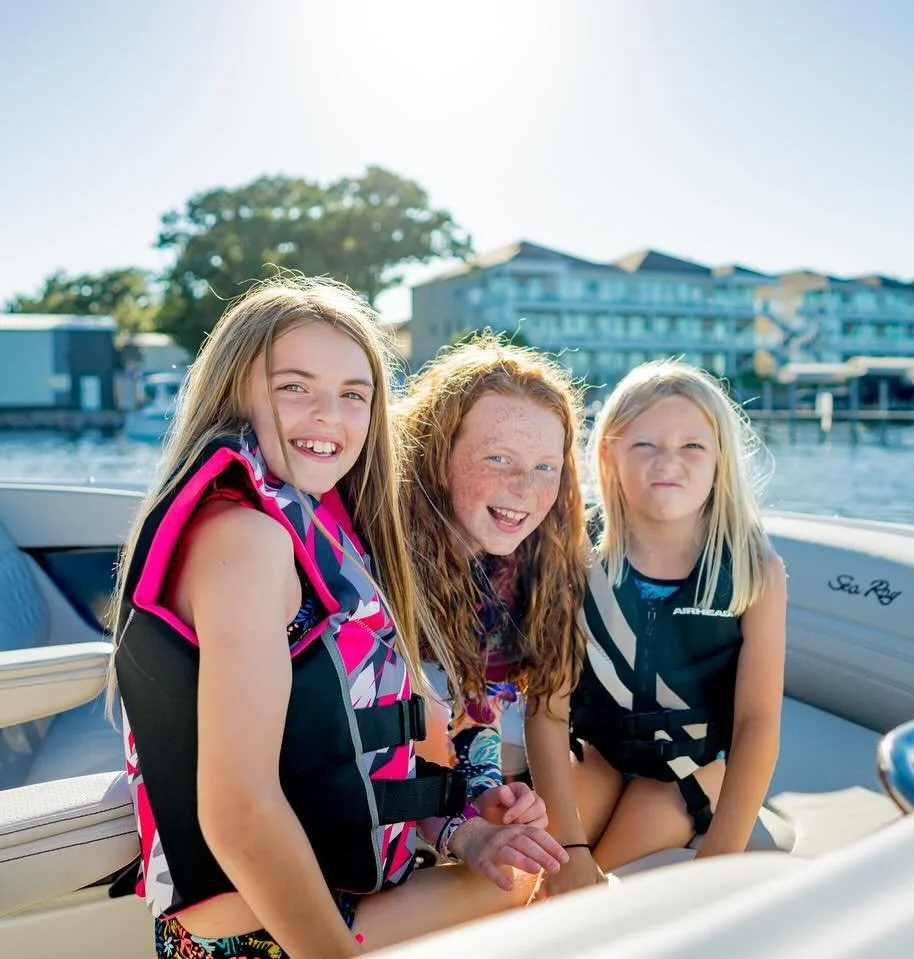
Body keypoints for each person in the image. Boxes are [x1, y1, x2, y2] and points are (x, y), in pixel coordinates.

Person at [109, 279, 568, 959]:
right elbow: (239, 817)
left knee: (514, 874)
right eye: (295, 386)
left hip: (336, 884)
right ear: (236, 391)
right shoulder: (247, 541)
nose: (330, 416)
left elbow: (346, 756)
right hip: (251, 934)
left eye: (354, 394)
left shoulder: (317, 521)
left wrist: (463, 831)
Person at [394, 336, 600, 898]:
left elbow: (475, 717)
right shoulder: (377, 564)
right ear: (436, 452)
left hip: (426, 820)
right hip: (352, 842)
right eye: (498, 458)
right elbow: (359, 750)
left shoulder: (508, 571)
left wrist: (486, 793)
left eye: (544, 466)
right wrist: (462, 830)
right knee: (510, 895)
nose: (526, 490)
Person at [566, 359, 787, 875]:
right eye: (645, 445)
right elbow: (549, 705)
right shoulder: (573, 555)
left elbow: (758, 724)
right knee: (546, 866)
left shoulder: (755, 571)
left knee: (608, 871)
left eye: (692, 447)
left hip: (691, 767)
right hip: (597, 753)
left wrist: (721, 853)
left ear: (720, 462)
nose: (670, 461)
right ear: (610, 454)